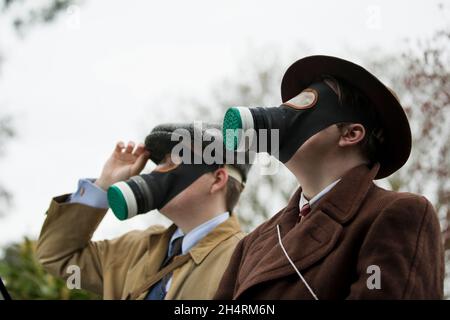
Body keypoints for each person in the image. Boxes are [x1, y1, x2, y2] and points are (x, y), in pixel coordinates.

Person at [215, 55, 444, 299]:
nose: (285, 114)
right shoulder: (254, 242)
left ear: (351, 134)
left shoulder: (397, 215)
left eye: (305, 104)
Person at [36, 122, 251, 300]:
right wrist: (103, 187)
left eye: (174, 160)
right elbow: (57, 254)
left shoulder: (246, 261)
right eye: (160, 162)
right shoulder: (134, 250)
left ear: (217, 180)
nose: (157, 170)